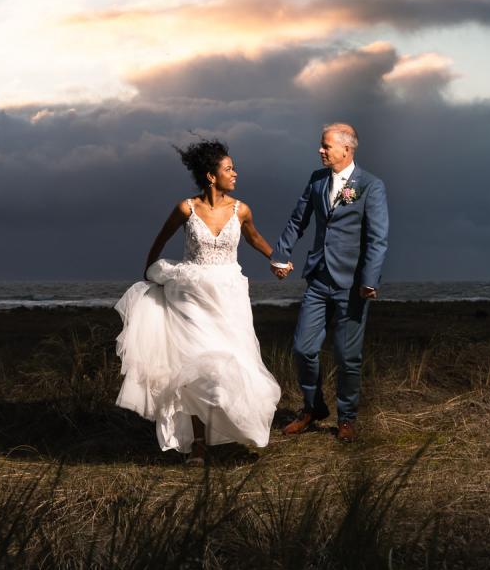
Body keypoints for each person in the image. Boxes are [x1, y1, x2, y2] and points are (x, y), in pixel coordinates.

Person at [112, 140, 283, 463]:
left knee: (234, 360)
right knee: (195, 366)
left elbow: (254, 237)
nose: (235, 173)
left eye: (234, 167)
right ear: (210, 176)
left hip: (229, 296)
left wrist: (276, 259)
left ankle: (236, 426)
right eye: (228, 168)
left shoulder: (241, 209)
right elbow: (160, 241)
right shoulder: (185, 209)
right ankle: (199, 444)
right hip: (191, 295)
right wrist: (150, 273)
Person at [270, 122, 389, 444]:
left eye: (325, 146)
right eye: (321, 146)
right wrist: (280, 255)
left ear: (346, 150)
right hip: (319, 279)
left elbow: (378, 239)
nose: (320, 150)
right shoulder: (316, 180)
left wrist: (369, 280)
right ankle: (313, 409)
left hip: (352, 285)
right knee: (303, 348)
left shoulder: (371, 186)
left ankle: (347, 418)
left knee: (347, 357)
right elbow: (298, 220)